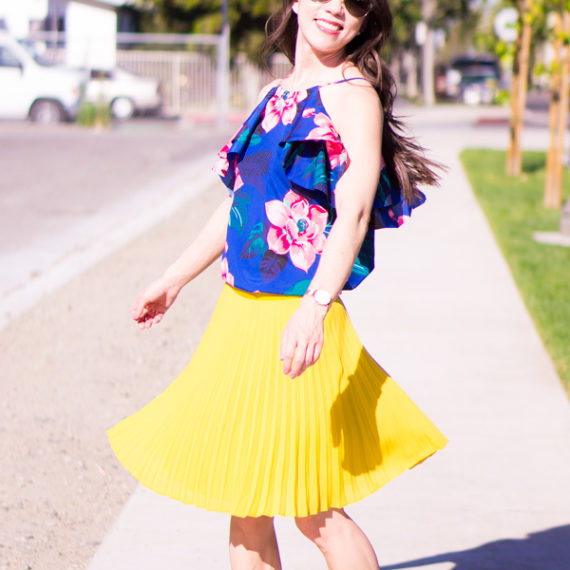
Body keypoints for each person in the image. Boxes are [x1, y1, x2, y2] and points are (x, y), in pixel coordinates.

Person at [107, 0, 447, 568]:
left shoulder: (352, 97)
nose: (336, 9)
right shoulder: (273, 95)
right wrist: (173, 279)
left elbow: (355, 212)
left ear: (366, 19)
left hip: (299, 317)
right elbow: (243, 205)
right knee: (246, 500)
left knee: (314, 508)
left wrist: (316, 306)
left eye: (355, 2)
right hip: (239, 317)